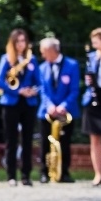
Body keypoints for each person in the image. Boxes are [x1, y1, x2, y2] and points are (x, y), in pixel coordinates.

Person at [0, 29, 40, 186]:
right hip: (11, 102)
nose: (21, 44)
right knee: (11, 140)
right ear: (13, 43)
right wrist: (18, 91)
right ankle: (11, 175)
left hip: (29, 103)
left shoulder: (31, 60)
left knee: (27, 140)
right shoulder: (6, 59)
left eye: (23, 41)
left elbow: (40, 83)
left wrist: (33, 91)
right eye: (18, 41)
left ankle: (26, 175)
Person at [37, 37, 79, 183]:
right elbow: (42, 90)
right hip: (47, 112)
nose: (42, 55)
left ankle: (64, 172)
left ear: (52, 50)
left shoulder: (72, 65)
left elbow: (74, 90)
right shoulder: (42, 68)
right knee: (45, 142)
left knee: (65, 142)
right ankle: (44, 172)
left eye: (44, 51)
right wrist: (49, 105)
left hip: (65, 112)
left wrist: (64, 105)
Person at [83, 28, 101, 186]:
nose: (93, 44)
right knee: (94, 138)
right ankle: (98, 174)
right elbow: (87, 79)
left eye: (96, 41)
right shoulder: (92, 57)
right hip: (94, 99)